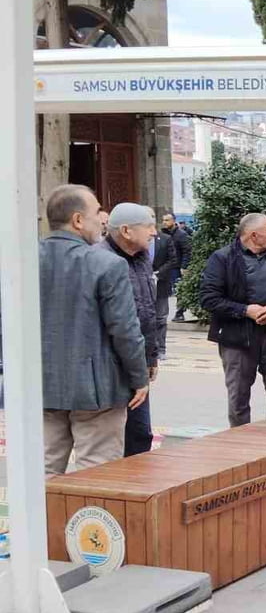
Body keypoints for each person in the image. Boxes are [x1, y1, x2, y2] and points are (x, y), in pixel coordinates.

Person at [39, 184, 149, 474]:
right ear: (78, 220)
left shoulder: (24, 260)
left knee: (44, 470)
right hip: (97, 388)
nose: (103, 218)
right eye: (98, 211)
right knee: (97, 472)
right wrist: (139, 377)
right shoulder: (107, 264)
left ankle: (45, 508)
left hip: (41, 382)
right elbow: (124, 329)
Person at [199, 213, 266, 428]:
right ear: (254, 235)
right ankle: (240, 440)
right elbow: (209, 298)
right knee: (239, 397)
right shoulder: (222, 258)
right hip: (237, 339)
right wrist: (245, 310)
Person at [98, 204, 161, 456]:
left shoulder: (142, 258)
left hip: (138, 360)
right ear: (126, 231)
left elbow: (148, 312)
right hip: (110, 363)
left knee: (140, 434)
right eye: (149, 226)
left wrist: (151, 357)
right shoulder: (100, 260)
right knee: (109, 440)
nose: (154, 232)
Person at [152, 214, 179, 361]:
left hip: (161, 284)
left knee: (161, 318)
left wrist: (158, 273)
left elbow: (173, 260)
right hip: (141, 285)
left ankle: (160, 348)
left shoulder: (165, 239)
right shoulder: (136, 240)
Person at [165, 213, 193, 322]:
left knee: (179, 290)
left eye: (167, 220)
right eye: (163, 220)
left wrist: (184, 266)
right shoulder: (164, 234)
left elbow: (187, 251)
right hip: (167, 266)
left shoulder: (181, 234)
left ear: (173, 221)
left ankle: (180, 312)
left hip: (177, 267)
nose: (164, 222)